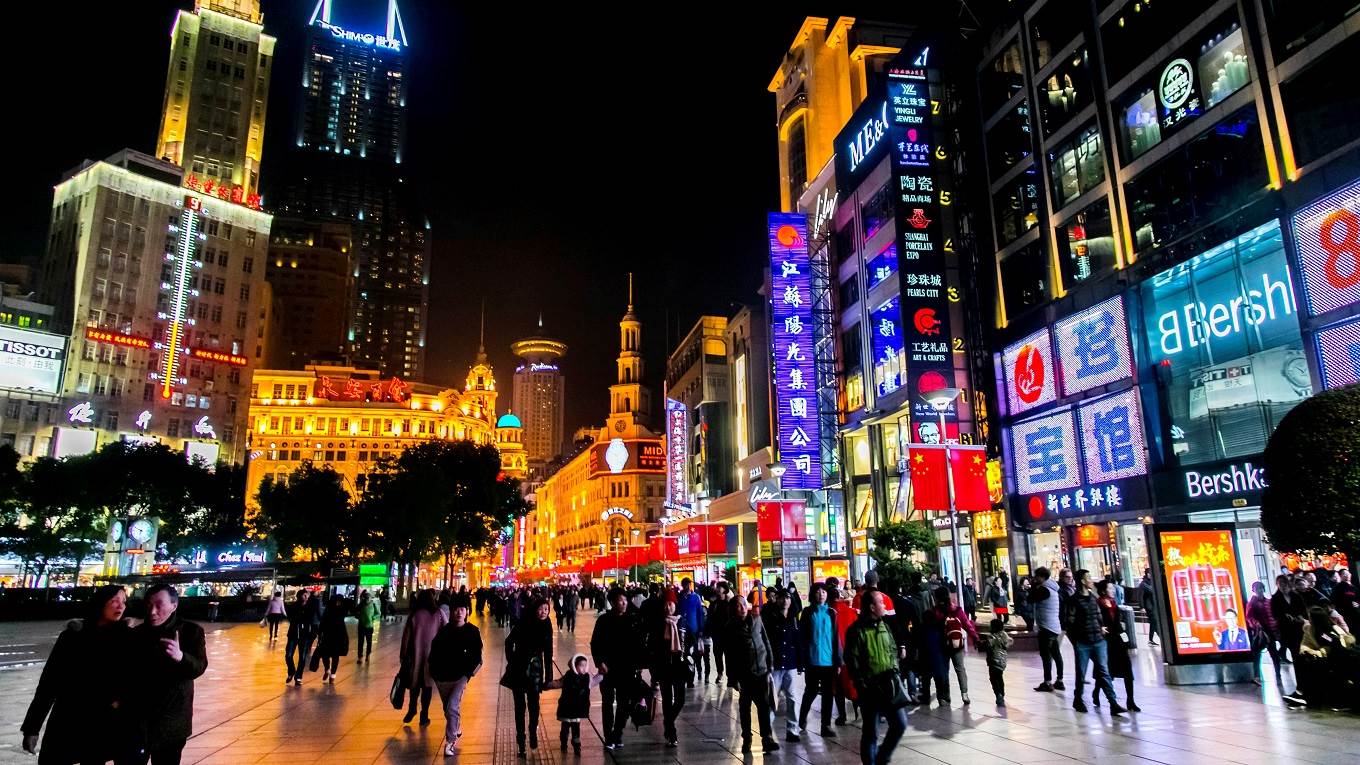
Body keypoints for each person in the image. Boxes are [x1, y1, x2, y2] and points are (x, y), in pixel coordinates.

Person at [22, 585, 135, 764]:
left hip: (101, 722)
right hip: (67, 718)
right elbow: (49, 684)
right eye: (114, 601)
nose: (120, 606)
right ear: (100, 603)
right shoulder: (73, 636)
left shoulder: (127, 639)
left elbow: (134, 679)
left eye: (123, 602)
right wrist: (32, 728)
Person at [128, 584, 208, 765]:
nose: (153, 611)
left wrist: (180, 657)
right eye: (149, 605)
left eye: (159, 605)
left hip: (171, 722)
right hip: (136, 721)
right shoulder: (135, 634)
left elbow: (199, 667)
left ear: (174, 605)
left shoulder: (190, 632)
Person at [844, 588, 907, 765]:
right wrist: (861, 684)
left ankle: (882, 757)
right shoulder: (856, 631)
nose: (884, 605)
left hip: (889, 684)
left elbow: (892, 649)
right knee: (871, 732)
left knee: (900, 724)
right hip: (870, 687)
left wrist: (894, 670)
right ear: (872, 607)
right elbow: (851, 659)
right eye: (880, 602)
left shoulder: (884, 626)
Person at [1067, 570, 1125, 715]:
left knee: (1104, 672)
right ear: (1082, 581)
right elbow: (1069, 623)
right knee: (1081, 673)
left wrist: (1101, 628)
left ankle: (1113, 702)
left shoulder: (1093, 598)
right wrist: (1076, 641)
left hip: (1098, 640)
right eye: (1089, 578)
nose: (1091, 581)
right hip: (1083, 642)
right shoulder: (1074, 600)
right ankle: (1078, 699)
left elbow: (1098, 616)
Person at [428, 601, 482, 755]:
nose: (459, 612)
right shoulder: (444, 632)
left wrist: (468, 673)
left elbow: (477, 656)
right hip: (442, 678)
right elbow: (434, 653)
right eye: (456, 609)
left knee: (452, 706)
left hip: (460, 677)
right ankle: (456, 728)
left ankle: (450, 741)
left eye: (462, 609)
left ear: (467, 612)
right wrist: (434, 672)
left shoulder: (472, 631)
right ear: (451, 612)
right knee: (448, 709)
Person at [726, 595, 778, 754]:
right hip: (744, 673)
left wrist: (770, 663)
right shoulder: (730, 627)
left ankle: (767, 738)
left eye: (743, 604)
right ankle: (746, 737)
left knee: (763, 705)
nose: (742, 608)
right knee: (745, 707)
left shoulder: (756, 619)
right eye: (738, 606)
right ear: (733, 610)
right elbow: (729, 654)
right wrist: (732, 678)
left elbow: (766, 641)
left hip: (761, 669)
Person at [591, 588, 639, 750]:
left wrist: (638, 666)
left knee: (624, 703)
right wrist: (599, 662)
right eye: (620, 600)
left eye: (625, 600)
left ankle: (617, 733)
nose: (624, 603)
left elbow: (637, 645)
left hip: (626, 669)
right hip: (608, 669)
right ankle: (608, 736)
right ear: (612, 602)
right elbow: (595, 643)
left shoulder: (632, 620)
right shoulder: (604, 620)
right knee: (607, 702)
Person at [1285, 605, 1357, 708]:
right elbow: (1305, 645)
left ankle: (1303, 695)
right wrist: (1309, 652)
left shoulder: (1326, 632)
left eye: (1310, 617)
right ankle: (1300, 694)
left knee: (1313, 667)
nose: (1308, 619)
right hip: (1327, 658)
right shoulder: (1310, 630)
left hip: (1340, 659)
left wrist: (1319, 652)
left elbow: (1335, 645)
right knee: (1303, 661)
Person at [920, 585, 978, 706]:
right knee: (960, 669)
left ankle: (945, 697)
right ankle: (965, 694)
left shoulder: (935, 611)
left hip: (943, 645)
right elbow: (967, 625)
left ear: (936, 597)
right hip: (957, 644)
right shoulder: (957, 610)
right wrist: (975, 638)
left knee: (944, 671)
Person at [798, 582, 841, 738]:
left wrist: (838, 660)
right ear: (813, 594)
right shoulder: (807, 613)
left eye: (824, 591)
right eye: (818, 591)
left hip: (829, 660)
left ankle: (826, 725)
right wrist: (802, 659)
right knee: (811, 691)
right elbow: (802, 637)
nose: (821, 594)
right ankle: (802, 718)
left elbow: (836, 638)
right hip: (812, 660)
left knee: (829, 693)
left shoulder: (832, 613)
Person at [399, 589, 448, 726]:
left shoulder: (414, 615)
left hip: (415, 655)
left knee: (414, 683)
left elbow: (406, 637)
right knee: (427, 685)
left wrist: (403, 655)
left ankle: (412, 708)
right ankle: (424, 715)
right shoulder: (438, 613)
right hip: (431, 656)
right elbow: (446, 631)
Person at [650, 591, 690, 747]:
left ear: (675, 605)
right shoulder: (658, 623)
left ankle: (668, 722)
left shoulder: (681, 622)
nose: (668, 607)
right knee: (667, 699)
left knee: (680, 699)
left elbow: (689, 638)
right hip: (664, 666)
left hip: (679, 666)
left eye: (671, 604)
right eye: (666, 604)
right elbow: (653, 646)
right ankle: (671, 733)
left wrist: (689, 652)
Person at [763, 590, 803, 742]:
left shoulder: (793, 619)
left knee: (792, 697)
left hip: (791, 664)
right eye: (782, 598)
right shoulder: (769, 617)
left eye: (788, 598)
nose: (785, 601)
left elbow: (798, 642)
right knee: (772, 699)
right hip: (775, 665)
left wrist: (800, 663)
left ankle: (792, 729)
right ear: (777, 600)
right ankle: (767, 732)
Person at [1094, 580, 1139, 712]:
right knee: (1107, 672)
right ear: (1103, 591)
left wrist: (1126, 640)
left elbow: (1119, 624)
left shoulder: (1114, 603)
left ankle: (1130, 700)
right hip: (1108, 643)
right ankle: (1096, 693)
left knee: (1127, 671)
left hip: (1119, 642)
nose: (1113, 591)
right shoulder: (1099, 605)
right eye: (1110, 588)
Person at [1028, 567, 1065, 691]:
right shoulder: (1053, 588)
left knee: (1046, 655)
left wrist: (1033, 586)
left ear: (1041, 577)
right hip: (1054, 626)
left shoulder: (1044, 590)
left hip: (1046, 627)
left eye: (1036, 577)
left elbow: (1030, 599)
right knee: (1056, 654)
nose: (1035, 579)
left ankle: (1047, 682)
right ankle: (1059, 680)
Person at [556, 654, 602, 755]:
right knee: (565, 728)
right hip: (566, 709)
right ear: (574, 665)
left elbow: (594, 681)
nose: (584, 668)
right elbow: (558, 683)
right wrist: (545, 685)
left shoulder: (587, 678)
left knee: (576, 729)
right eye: (581, 665)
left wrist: (601, 674)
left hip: (577, 710)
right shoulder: (568, 676)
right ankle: (563, 743)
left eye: (585, 665)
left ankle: (577, 745)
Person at [1246, 580, 1281, 684]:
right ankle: (1257, 676)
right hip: (1259, 632)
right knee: (1258, 654)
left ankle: (1277, 674)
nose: (1259, 590)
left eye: (1260, 588)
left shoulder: (1268, 601)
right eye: (1257, 589)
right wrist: (1256, 625)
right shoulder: (1252, 603)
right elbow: (1249, 617)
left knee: (1273, 653)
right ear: (1254, 590)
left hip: (1268, 630)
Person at [284, 589, 320, 685]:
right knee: (288, 655)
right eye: (304, 595)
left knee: (302, 657)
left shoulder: (311, 606)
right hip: (293, 634)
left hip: (305, 635)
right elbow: (290, 617)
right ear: (299, 596)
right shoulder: (294, 606)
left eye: (307, 595)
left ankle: (298, 676)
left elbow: (311, 618)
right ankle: (291, 671)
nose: (306, 597)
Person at [675, 577, 705, 688]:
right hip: (682, 630)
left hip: (693, 629)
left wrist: (701, 629)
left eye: (688, 585)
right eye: (685, 585)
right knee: (683, 654)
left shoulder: (696, 598)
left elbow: (700, 614)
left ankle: (691, 678)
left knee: (692, 655)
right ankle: (684, 676)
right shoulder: (679, 597)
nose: (687, 587)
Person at [1271, 574, 1307, 664]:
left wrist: (1300, 617)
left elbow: (1303, 609)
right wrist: (1285, 616)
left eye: (1284, 583)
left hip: (1299, 626)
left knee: (1301, 649)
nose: (1282, 585)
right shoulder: (1275, 598)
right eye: (1279, 584)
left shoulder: (1295, 596)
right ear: (1277, 585)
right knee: (1294, 651)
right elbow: (1275, 613)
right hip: (1286, 628)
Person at [315, 593, 349, 683]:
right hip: (338, 634)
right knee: (334, 655)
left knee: (326, 653)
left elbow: (322, 622)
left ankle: (328, 670)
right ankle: (332, 674)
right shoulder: (342, 610)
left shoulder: (328, 610)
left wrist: (319, 633)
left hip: (328, 634)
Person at [978, 618, 1012, 707]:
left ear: (993, 627)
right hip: (1002, 661)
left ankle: (998, 694)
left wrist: (980, 643)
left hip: (994, 660)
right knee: (1000, 677)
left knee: (993, 678)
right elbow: (1008, 642)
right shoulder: (1004, 635)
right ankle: (1002, 694)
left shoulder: (991, 636)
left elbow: (988, 645)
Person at [704, 581, 732, 684]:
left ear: (724, 589)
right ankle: (720, 673)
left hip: (727, 634)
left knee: (728, 656)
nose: (717, 589)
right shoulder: (714, 603)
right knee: (718, 655)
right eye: (717, 587)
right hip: (717, 634)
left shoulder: (729, 603)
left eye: (719, 587)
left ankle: (730, 677)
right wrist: (708, 630)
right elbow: (710, 618)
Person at [356, 590, 379, 664]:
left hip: (369, 627)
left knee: (369, 642)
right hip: (361, 626)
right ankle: (360, 657)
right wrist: (359, 616)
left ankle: (368, 655)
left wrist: (373, 618)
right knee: (360, 642)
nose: (367, 600)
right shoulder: (361, 604)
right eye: (365, 598)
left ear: (370, 598)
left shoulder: (373, 605)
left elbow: (378, 613)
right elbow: (355, 612)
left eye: (368, 598)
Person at [1138, 570, 1159, 646]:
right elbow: (1140, 596)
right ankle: (1162, 639)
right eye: (1149, 573)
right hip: (1149, 607)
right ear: (1147, 574)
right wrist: (1142, 607)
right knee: (1154, 622)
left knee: (1153, 623)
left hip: (1154, 606)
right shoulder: (1143, 584)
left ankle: (1150, 640)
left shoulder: (1151, 582)